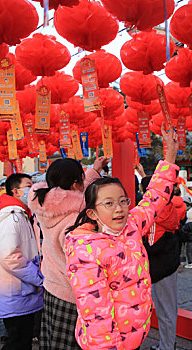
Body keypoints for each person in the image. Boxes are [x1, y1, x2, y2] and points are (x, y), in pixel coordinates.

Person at [65, 124, 178, 349]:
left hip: (134, 337)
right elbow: (96, 312)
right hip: (109, 345)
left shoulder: (132, 226)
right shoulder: (86, 250)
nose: (119, 209)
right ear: (92, 213)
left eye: (123, 201)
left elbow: (154, 197)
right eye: (108, 203)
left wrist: (171, 155)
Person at [28, 156, 108, 349]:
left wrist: (93, 171)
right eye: (81, 180)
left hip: (53, 286)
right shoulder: (78, 218)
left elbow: (73, 195)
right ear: (75, 184)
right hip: (74, 294)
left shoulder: (43, 204)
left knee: (54, 341)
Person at [0, 173, 44, 350]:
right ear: (16, 191)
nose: (33, 188)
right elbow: (9, 256)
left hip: (20, 291)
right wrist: (38, 277)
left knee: (21, 339)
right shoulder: (13, 218)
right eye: (28, 185)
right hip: (15, 291)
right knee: (18, 341)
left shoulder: (22, 215)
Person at [141, 177, 182, 350]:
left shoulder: (154, 213)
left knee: (165, 311)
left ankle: (166, 346)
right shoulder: (169, 207)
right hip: (169, 264)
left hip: (159, 268)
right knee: (169, 309)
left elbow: (151, 244)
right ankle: (167, 343)